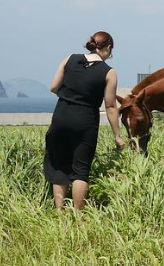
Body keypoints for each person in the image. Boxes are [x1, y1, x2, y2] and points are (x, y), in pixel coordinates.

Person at [44, 31, 125, 212]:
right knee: (81, 169)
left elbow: (53, 87)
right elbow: (111, 106)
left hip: (61, 115)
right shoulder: (109, 72)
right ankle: (78, 216)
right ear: (108, 48)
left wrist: (70, 96)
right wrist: (118, 136)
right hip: (85, 119)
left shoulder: (69, 59)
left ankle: (59, 211)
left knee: (59, 164)